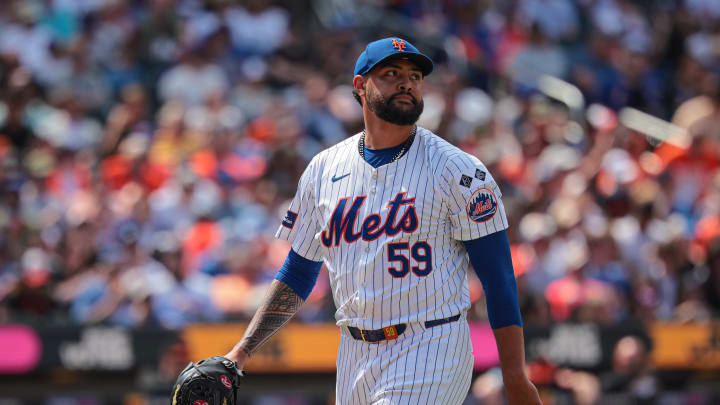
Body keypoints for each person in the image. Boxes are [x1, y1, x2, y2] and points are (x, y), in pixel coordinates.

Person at [224, 37, 542, 404]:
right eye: (391, 74)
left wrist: (515, 375)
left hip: (430, 344)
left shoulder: (459, 170)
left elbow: (498, 277)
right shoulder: (323, 169)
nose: (407, 82)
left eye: (414, 75)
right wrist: (240, 354)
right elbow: (298, 271)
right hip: (354, 352)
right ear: (360, 86)